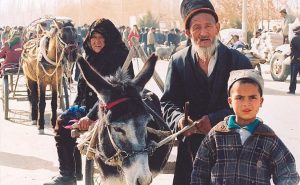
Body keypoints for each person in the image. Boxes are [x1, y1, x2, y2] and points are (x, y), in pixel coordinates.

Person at [160, 0, 253, 184]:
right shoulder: (178, 62)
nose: (203, 33)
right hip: (190, 154)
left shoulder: (239, 62)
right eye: (196, 27)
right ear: (187, 32)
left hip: (231, 152)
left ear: (217, 28)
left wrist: (215, 120)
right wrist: (179, 120)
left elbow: (248, 105)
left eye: (208, 26)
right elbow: (168, 102)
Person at [44, 18, 134, 185]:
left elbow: (110, 96)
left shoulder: (119, 58)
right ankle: (68, 174)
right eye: (94, 38)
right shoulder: (89, 56)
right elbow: (82, 90)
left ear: (109, 39)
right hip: (89, 108)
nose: (97, 42)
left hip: (114, 112)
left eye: (101, 38)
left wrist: (90, 117)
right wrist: (76, 111)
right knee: (63, 122)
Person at [191, 69, 300, 185]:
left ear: (261, 101)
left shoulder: (268, 138)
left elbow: (287, 172)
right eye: (239, 98)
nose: (246, 103)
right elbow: (199, 172)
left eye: (252, 97)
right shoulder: (217, 135)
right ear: (230, 101)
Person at [288, 26, 300, 94]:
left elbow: (292, 50)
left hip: (295, 60)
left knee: (293, 76)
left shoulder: (294, 39)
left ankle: (292, 90)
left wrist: (297, 56)